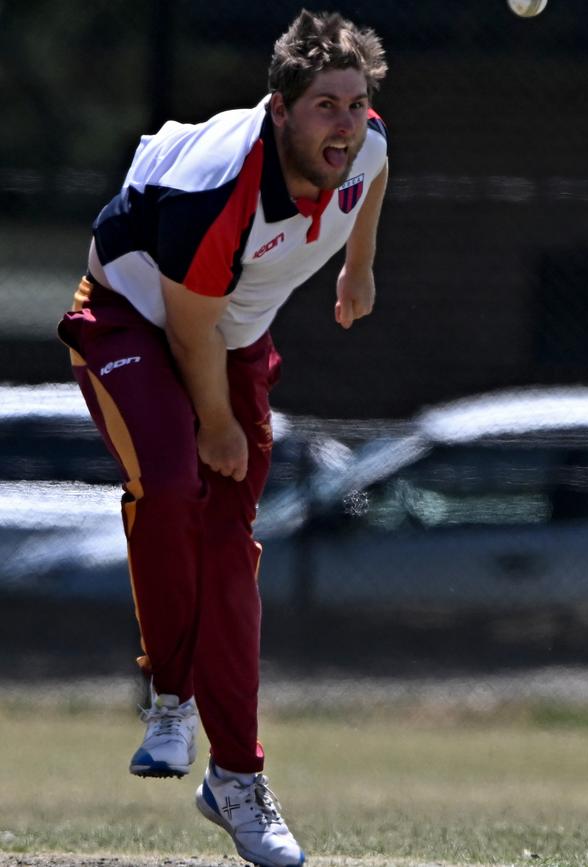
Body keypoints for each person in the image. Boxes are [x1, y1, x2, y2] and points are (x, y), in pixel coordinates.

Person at [57, 9, 388, 867]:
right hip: (132, 315)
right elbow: (189, 328)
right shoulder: (219, 190)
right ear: (279, 111)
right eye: (324, 107)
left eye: (355, 105)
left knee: (229, 550)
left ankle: (237, 780)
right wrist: (217, 426)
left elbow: (375, 173)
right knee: (173, 484)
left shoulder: (365, 143)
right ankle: (170, 700)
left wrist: (359, 265)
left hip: (227, 335)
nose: (344, 125)